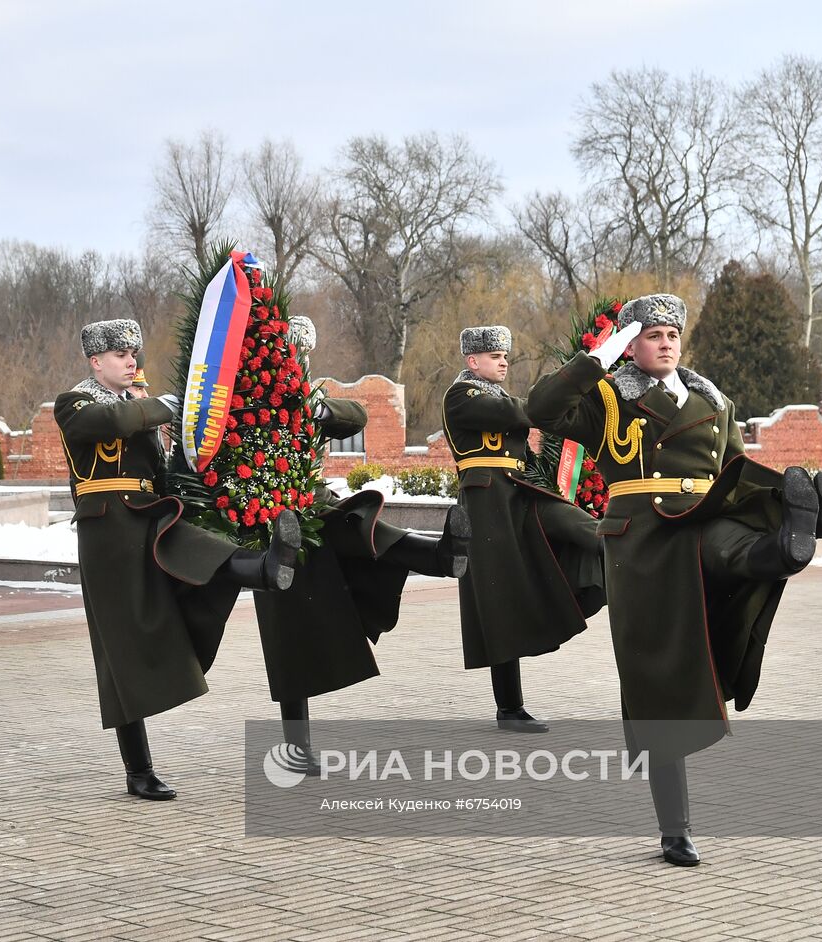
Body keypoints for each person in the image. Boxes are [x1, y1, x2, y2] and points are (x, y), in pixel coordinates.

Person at [527, 293, 822, 867]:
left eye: (672, 333)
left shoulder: (712, 399)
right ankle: (676, 829)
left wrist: (779, 500)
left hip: (702, 521)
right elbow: (539, 411)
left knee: (738, 551)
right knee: (655, 683)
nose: (666, 341)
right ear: (631, 343)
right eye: (652, 334)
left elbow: (736, 475)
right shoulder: (606, 396)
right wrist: (600, 357)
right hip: (643, 541)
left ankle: (789, 546)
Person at [56, 318, 301, 801]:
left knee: (203, 554)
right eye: (122, 355)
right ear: (95, 361)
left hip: (151, 514)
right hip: (108, 530)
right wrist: (165, 406)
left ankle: (267, 569)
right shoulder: (76, 402)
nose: (132, 362)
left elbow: (161, 469)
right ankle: (138, 769)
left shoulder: (137, 407)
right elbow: (108, 424)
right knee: (121, 649)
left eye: (135, 355)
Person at [253, 317, 472, 771]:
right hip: (273, 518)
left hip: (315, 504)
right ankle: (297, 744)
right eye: (290, 353)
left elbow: (356, 415)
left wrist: (319, 409)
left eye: (302, 355)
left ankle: (442, 554)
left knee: (367, 529)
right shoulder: (253, 401)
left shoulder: (307, 396)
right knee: (289, 634)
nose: (297, 362)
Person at [443, 326, 605, 733]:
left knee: (582, 526)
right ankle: (509, 708)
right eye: (494, 356)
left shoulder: (494, 396)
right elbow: (516, 413)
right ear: (472, 361)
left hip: (521, 492)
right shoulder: (460, 396)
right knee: (501, 603)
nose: (502, 362)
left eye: (505, 356)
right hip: (487, 506)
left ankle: (618, 567)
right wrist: (558, 393)